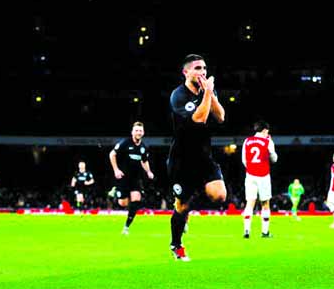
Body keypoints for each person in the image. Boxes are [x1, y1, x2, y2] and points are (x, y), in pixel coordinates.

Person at [167, 54, 227, 261]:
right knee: (181, 207)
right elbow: (199, 119)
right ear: (186, 72)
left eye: (205, 68)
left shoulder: (208, 91)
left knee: (219, 195)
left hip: (204, 157)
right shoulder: (178, 95)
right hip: (181, 160)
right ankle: (176, 245)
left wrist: (210, 94)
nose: (203, 72)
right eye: (198, 68)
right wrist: (207, 94)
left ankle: (188, 203)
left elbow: (220, 117)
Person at [109, 121, 155, 235]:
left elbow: (144, 161)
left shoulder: (143, 147)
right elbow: (112, 154)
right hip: (123, 177)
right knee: (123, 203)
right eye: (136, 130)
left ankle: (126, 227)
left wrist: (149, 171)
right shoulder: (125, 143)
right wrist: (116, 170)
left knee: (136, 200)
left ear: (143, 133)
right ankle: (115, 192)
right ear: (132, 132)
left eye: (140, 131)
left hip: (136, 178)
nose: (138, 132)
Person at [241, 120, 278, 238]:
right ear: (265, 130)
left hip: (250, 175)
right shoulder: (267, 141)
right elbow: (274, 159)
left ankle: (246, 231)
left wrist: (252, 168)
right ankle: (265, 232)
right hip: (263, 176)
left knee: (250, 203)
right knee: (265, 203)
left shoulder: (247, 141)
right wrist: (271, 143)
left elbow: (244, 160)